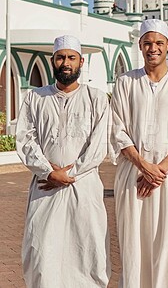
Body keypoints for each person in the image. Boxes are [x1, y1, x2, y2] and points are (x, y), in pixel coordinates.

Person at [110, 19, 168, 288]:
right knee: (133, 244)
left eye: (159, 42)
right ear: (140, 45)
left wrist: (158, 170)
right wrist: (142, 165)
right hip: (132, 175)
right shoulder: (126, 82)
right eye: (147, 42)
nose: (153, 48)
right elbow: (117, 128)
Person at [16, 35, 111, 287]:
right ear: (52, 62)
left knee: (87, 253)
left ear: (81, 62)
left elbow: (99, 144)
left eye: (71, 58)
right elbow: (25, 139)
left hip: (84, 188)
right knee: (41, 253)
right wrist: (48, 171)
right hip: (45, 189)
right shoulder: (35, 98)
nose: (65, 63)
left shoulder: (97, 98)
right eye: (60, 58)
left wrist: (70, 174)